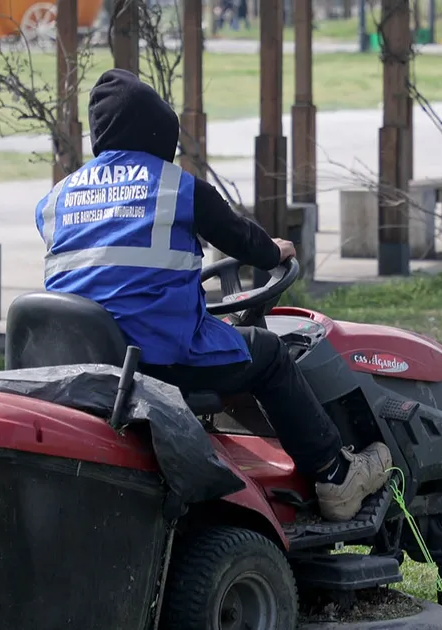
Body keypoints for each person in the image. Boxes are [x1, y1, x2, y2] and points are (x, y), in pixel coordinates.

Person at [34, 69, 392, 522]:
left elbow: (109, 265)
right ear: (160, 132)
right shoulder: (176, 187)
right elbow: (242, 240)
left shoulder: (56, 199)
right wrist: (272, 249)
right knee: (268, 354)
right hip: (157, 362)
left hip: (80, 362)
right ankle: (335, 474)